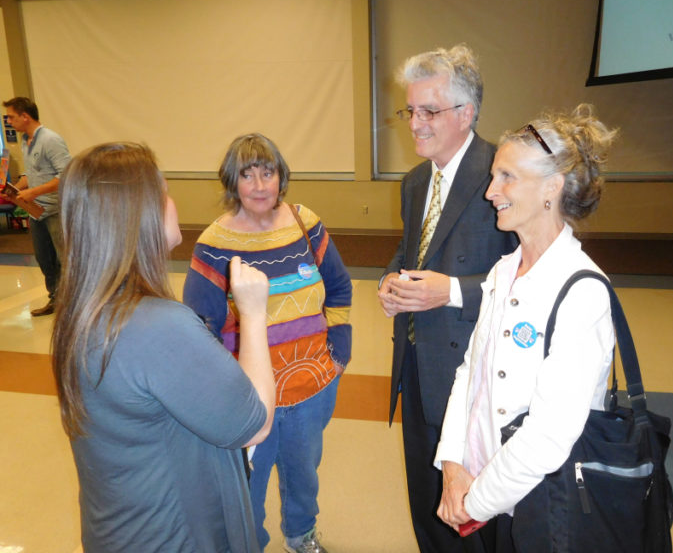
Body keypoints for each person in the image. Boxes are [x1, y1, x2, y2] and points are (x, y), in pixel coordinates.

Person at [51, 143, 275, 552]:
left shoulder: (82, 312)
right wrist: (254, 314)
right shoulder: (158, 325)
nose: (172, 203)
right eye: (165, 192)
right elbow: (254, 423)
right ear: (139, 215)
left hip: (119, 530)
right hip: (173, 536)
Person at [435, 104, 619, 551]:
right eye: (494, 176)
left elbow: (549, 435)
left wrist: (475, 501)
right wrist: (453, 462)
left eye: (507, 177)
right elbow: (470, 372)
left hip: (541, 501)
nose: (490, 192)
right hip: (480, 484)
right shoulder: (502, 271)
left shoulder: (583, 291)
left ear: (551, 189)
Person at [377, 44, 517, 553]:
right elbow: (411, 248)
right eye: (410, 110)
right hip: (415, 362)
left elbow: (529, 279)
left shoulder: (502, 174)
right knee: (425, 499)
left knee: (473, 510)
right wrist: (392, 282)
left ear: (467, 113)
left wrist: (452, 290)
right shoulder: (416, 182)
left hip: (477, 376)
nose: (415, 123)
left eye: (428, 111)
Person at [183, 133, 352, 553]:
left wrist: (340, 350)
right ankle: (249, 544)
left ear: (282, 176)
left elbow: (340, 287)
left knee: (303, 473)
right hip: (248, 397)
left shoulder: (304, 223)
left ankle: (301, 535)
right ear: (231, 182)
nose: (260, 185)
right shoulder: (215, 243)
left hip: (312, 384)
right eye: (247, 175)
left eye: (268, 172)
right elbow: (199, 327)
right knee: (248, 484)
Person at [2, 97, 71, 315]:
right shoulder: (25, 140)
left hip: (55, 211)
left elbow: (66, 175)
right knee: (45, 259)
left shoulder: (51, 140)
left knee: (64, 259)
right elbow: (31, 175)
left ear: (25, 116)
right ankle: (56, 300)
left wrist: (32, 192)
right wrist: (13, 188)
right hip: (35, 212)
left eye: (11, 117)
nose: (9, 122)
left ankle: (72, 305)